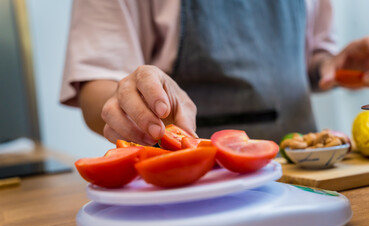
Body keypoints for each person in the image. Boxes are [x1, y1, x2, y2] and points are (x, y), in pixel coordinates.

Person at [60, 0, 369, 145]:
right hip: (190, 188)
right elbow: (97, 83)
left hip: (304, 172)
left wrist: (333, 68)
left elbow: (311, 63)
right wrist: (129, 99)